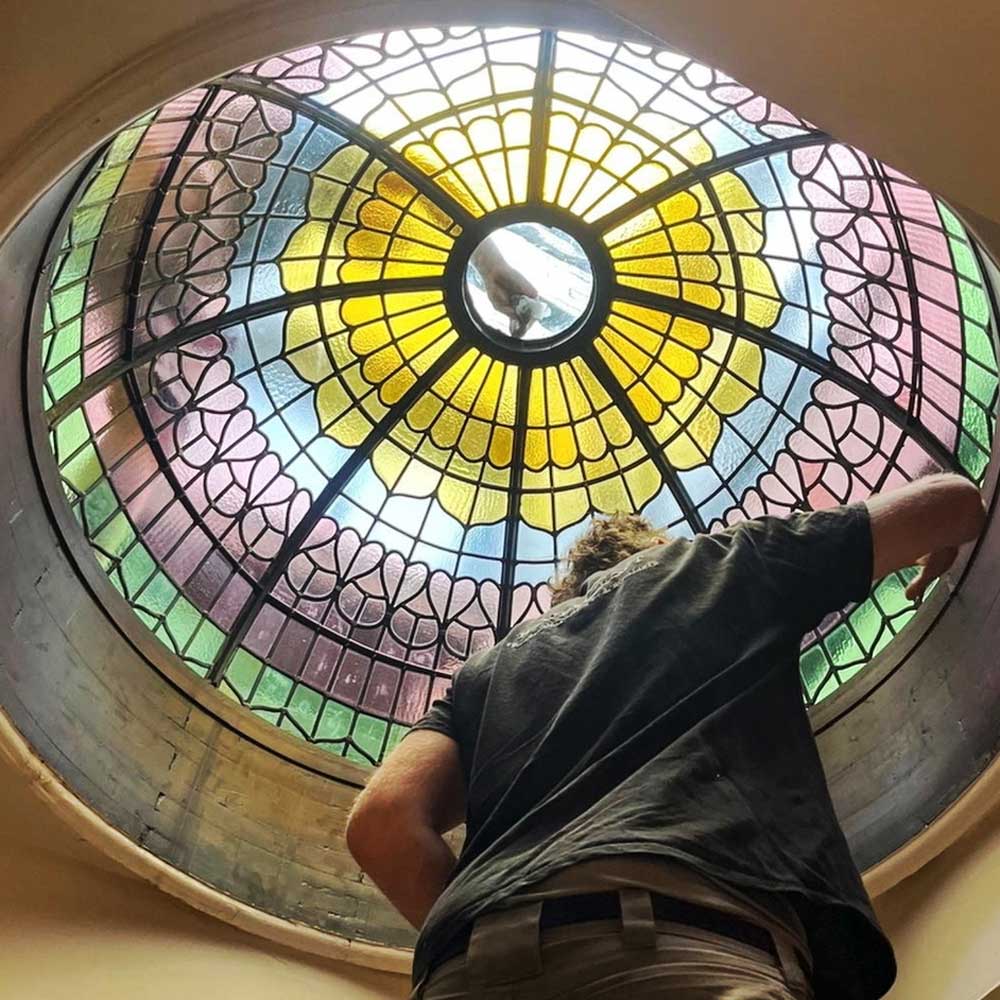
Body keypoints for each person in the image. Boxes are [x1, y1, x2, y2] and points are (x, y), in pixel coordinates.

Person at [346, 474, 986, 999]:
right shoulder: (721, 562)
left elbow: (381, 822)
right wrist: (935, 548)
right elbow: (956, 503)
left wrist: (482, 925)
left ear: (568, 589)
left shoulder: (486, 671)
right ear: (654, 547)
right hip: (689, 948)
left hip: (465, 971)